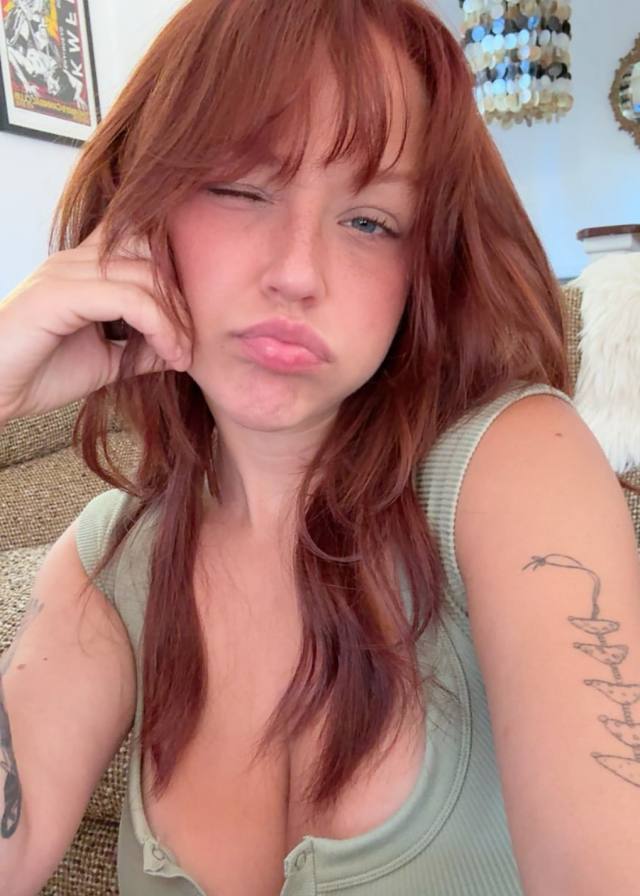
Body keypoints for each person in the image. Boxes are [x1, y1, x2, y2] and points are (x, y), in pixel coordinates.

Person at [1, 1, 639, 894]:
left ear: (424, 271)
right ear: (139, 209)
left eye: (372, 221)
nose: (298, 272)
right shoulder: (109, 566)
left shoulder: (513, 468)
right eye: (241, 187)